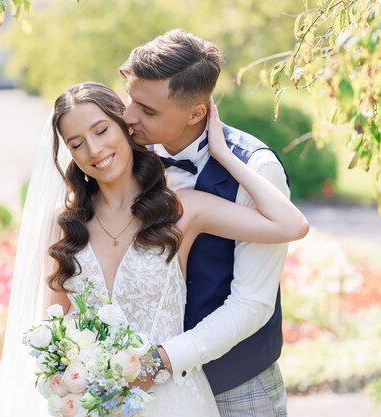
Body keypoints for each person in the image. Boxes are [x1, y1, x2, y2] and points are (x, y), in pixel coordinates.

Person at [0, 81, 306, 417]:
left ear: (126, 127)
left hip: (173, 399)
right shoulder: (64, 223)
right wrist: (74, 385)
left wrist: (223, 153)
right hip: (95, 404)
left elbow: (291, 225)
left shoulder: (180, 209)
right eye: (77, 143)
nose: (94, 150)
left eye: (101, 131)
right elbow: (52, 327)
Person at [119, 29, 292, 416]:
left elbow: (252, 303)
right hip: (146, 392)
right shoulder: (122, 155)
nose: (129, 116)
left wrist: (164, 359)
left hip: (237, 386)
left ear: (197, 113)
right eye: (131, 100)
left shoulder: (256, 168)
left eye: (147, 110)